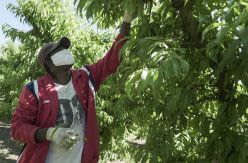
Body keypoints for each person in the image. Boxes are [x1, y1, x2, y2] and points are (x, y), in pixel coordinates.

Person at [10, 10, 136, 163]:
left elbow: (112, 59)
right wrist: (50, 133)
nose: (66, 52)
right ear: (49, 63)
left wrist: (127, 21)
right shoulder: (34, 90)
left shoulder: (85, 77)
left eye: (65, 49)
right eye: (60, 50)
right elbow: (17, 128)